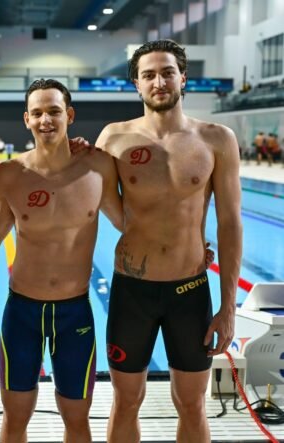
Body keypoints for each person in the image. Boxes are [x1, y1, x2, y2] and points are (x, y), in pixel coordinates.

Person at [95, 40, 242, 443]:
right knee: (125, 402)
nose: (158, 81)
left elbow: (230, 224)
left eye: (166, 72)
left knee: (193, 404)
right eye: (148, 75)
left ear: (183, 78)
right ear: (136, 85)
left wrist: (229, 307)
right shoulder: (113, 138)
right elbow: (84, 198)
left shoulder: (216, 139)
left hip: (190, 292)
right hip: (132, 292)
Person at [0, 79, 123, 443]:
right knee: (15, 418)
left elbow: (127, 223)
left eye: (54, 111)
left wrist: (191, 244)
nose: (45, 120)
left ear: (69, 115)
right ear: (26, 120)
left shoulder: (97, 167)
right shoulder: (10, 175)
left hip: (75, 313)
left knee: (77, 419)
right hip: (22, 312)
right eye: (37, 113)